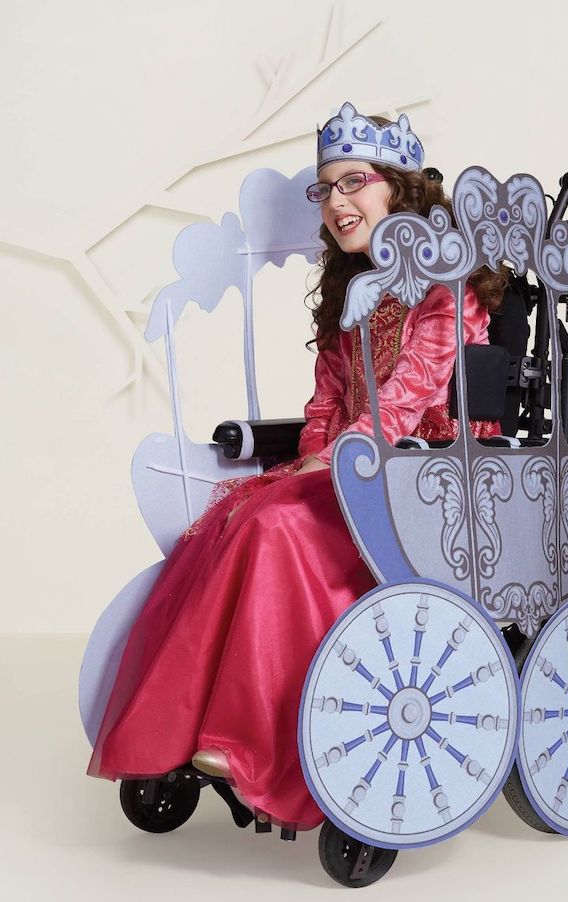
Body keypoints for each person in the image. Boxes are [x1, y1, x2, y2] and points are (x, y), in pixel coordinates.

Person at [87, 101, 509, 830]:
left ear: (400, 189)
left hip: (428, 477)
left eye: (354, 182)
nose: (337, 202)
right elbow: (327, 402)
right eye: (326, 188)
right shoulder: (353, 294)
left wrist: (332, 460)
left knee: (273, 523)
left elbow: (409, 396)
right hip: (354, 467)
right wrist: (316, 453)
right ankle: (186, 727)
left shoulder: (447, 290)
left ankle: (248, 741)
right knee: (235, 515)